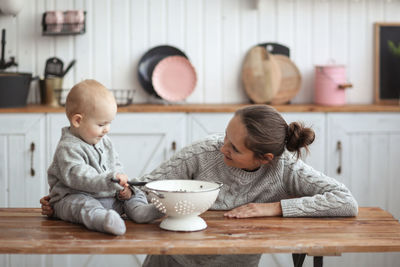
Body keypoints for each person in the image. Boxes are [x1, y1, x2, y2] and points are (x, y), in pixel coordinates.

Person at [41, 105, 358, 265]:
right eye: (225, 137)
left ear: (265, 158)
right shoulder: (205, 152)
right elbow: (141, 188)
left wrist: (272, 208)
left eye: (234, 148)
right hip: (170, 264)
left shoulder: (285, 168)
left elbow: (344, 201)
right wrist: (70, 200)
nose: (222, 149)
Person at [45, 79, 162, 236]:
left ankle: (139, 210)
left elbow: (116, 165)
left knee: (134, 192)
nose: (107, 129)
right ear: (78, 120)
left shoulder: (104, 141)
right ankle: (103, 220)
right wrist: (111, 179)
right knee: (82, 205)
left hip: (108, 197)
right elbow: (79, 177)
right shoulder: (67, 148)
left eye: (109, 123)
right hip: (75, 197)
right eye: (101, 124)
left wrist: (123, 188)